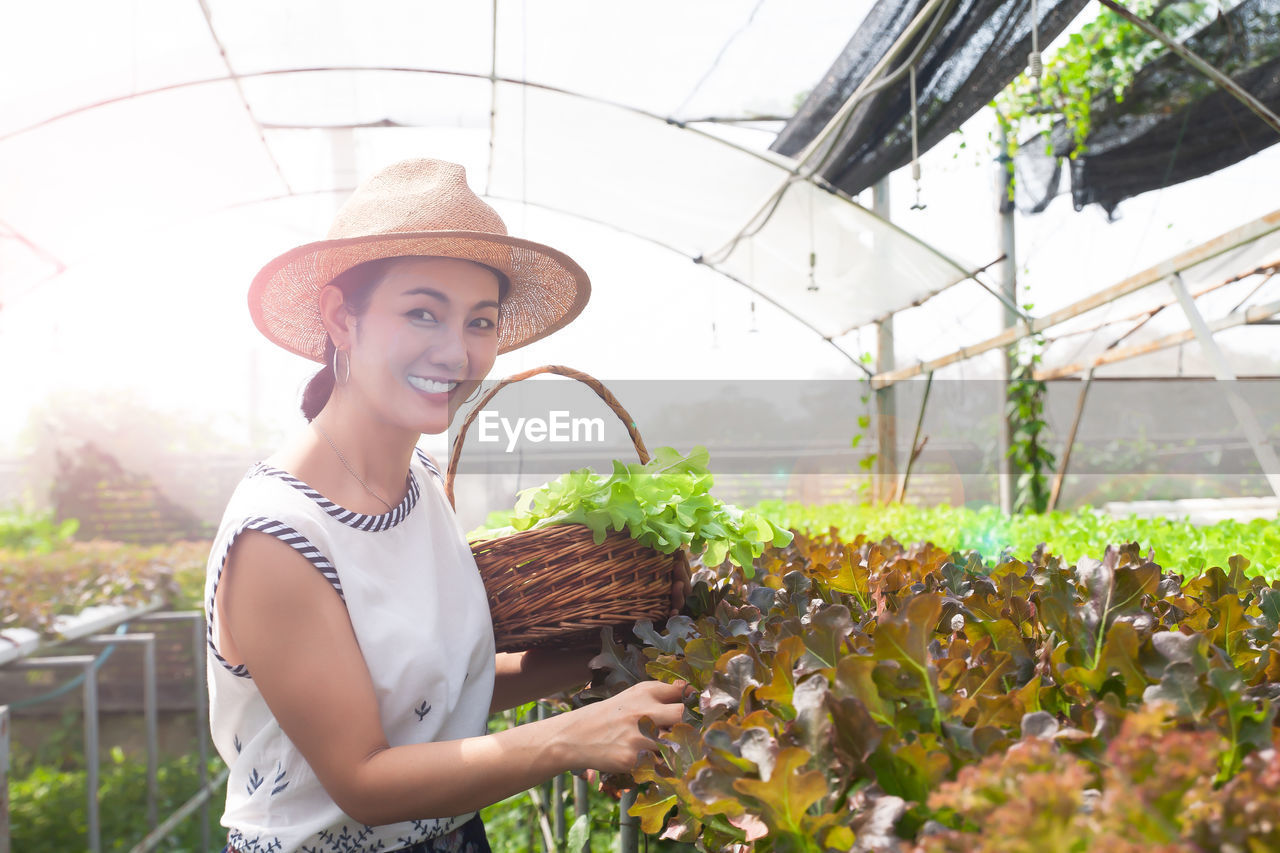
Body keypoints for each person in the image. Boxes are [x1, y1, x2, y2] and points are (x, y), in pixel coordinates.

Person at [204, 158, 693, 853]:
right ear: (342, 319)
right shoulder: (280, 535)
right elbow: (364, 778)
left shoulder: (421, 481)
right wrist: (570, 736)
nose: (456, 351)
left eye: (480, 321)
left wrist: (603, 654)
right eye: (422, 313)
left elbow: (427, 692)